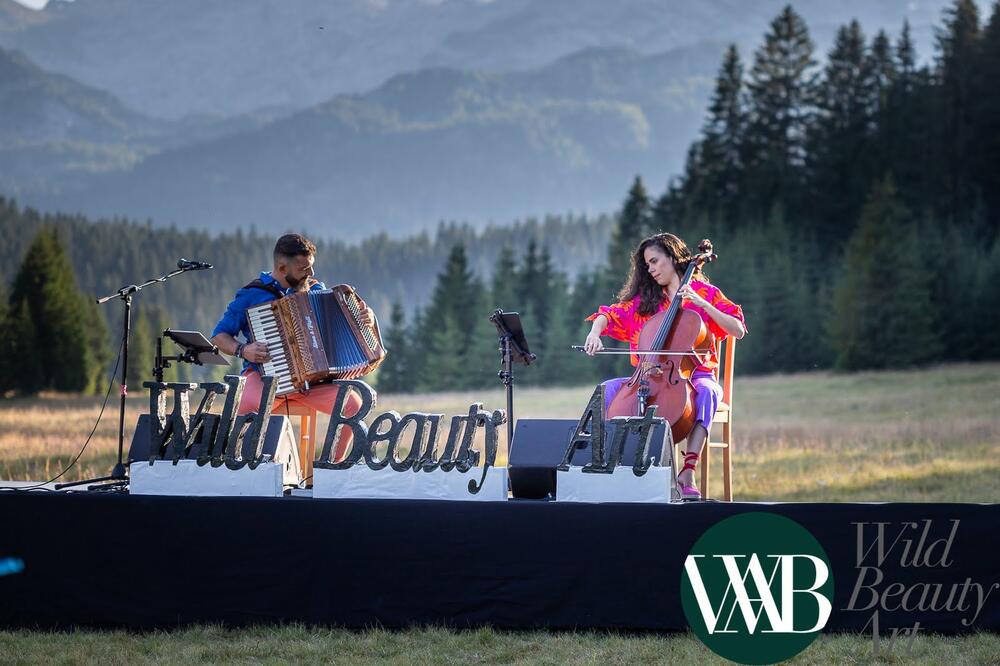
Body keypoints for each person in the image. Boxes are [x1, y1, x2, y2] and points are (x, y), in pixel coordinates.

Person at [582, 233, 746, 499]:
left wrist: (703, 304)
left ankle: (687, 472)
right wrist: (594, 334)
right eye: (647, 264)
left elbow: (737, 329)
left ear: (672, 257)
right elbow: (608, 314)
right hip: (650, 376)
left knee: (707, 392)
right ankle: (608, 467)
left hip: (697, 374)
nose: (651, 269)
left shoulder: (706, 293)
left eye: (655, 261)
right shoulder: (647, 301)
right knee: (606, 390)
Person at [211, 233, 373, 461]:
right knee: (245, 404)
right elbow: (219, 336)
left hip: (312, 383)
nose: (311, 273)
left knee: (354, 406)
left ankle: (332, 467)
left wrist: (366, 317)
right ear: (282, 267)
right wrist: (243, 350)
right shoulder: (252, 294)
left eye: (311, 266)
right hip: (264, 378)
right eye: (303, 268)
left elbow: (345, 318)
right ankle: (245, 467)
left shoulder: (316, 290)